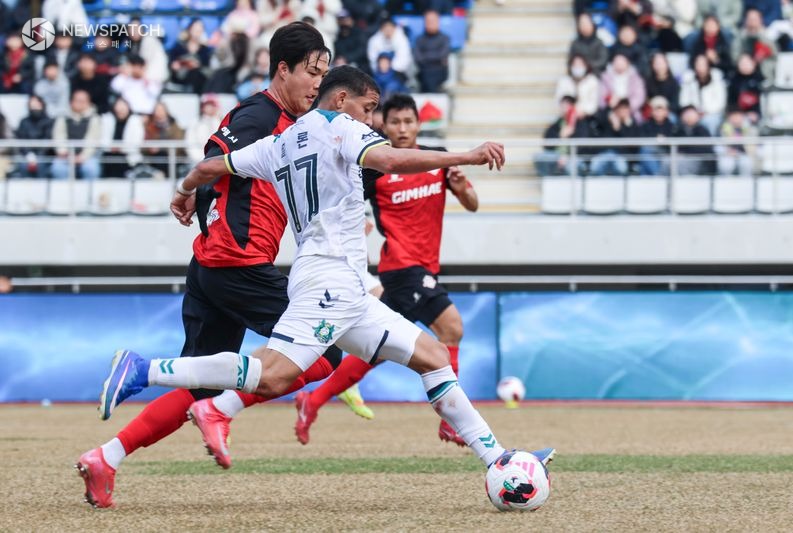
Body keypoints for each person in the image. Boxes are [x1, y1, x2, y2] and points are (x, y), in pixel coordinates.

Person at [96, 64, 555, 485]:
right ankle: (147, 370)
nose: (372, 121)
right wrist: (466, 156)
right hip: (329, 282)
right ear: (340, 101)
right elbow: (393, 161)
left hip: (342, 282)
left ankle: (497, 460)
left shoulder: (280, 141)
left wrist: (185, 191)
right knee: (273, 376)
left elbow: (211, 166)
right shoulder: (340, 129)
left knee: (433, 355)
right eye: (369, 109)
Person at [75, 22, 340, 509]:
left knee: (200, 384)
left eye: (324, 74)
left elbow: (218, 169)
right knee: (329, 350)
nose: (318, 84)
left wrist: (193, 197)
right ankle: (176, 386)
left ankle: (104, 458)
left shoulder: (286, 122)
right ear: (282, 69)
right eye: (312, 72)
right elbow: (214, 159)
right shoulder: (260, 114)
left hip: (215, 268)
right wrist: (187, 190)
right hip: (239, 266)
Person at [293, 92, 480, 445]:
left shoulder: (434, 161)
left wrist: (459, 185)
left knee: (376, 350)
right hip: (402, 267)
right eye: (395, 122)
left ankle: (312, 399)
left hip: (424, 269)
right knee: (452, 328)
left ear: (418, 124)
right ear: (384, 125)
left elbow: (472, 204)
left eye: (408, 121)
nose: (402, 128)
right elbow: (339, 195)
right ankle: (452, 421)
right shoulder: (375, 167)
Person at [51, 90, 102, 180]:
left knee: (91, 169)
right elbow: (59, 137)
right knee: (58, 169)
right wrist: (65, 154)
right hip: (65, 156)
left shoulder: (94, 119)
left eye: (83, 101)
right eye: (77, 101)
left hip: (87, 157)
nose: (79, 104)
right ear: (71, 102)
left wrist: (82, 157)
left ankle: (88, 194)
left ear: (88, 103)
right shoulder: (63, 117)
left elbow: (93, 140)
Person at [590, 98, 640, 176]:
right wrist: (609, 107)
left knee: (621, 168)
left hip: (620, 155)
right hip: (604, 153)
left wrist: (620, 129)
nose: (623, 111)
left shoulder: (632, 124)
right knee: (595, 166)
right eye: (621, 108)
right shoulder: (609, 119)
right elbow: (598, 119)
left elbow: (632, 145)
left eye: (625, 108)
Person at [679, 53, 727, 134]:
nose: (700, 67)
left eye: (703, 64)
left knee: (709, 121)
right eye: (698, 64)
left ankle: (709, 146)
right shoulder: (688, 79)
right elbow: (683, 101)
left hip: (712, 114)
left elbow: (720, 103)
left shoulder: (717, 79)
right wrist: (694, 112)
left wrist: (705, 112)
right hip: (693, 113)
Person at [100, 97, 144, 178]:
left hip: (128, 157)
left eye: (123, 108)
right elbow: (103, 139)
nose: (121, 110)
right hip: (109, 155)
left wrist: (121, 148)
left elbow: (137, 142)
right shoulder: (108, 119)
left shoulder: (135, 121)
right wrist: (111, 147)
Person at [535, 95, 579, 177]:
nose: (564, 109)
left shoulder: (580, 123)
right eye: (562, 106)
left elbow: (585, 145)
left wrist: (567, 156)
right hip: (557, 155)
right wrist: (560, 135)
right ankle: (549, 181)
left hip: (574, 156)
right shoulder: (557, 124)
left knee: (572, 166)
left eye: (567, 105)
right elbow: (546, 143)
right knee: (539, 157)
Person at [168, 18, 213, 94]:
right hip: (181, 78)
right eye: (195, 29)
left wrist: (197, 66)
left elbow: (208, 68)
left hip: (198, 82)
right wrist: (176, 65)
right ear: (189, 29)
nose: (197, 32)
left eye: (200, 29)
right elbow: (172, 63)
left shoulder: (205, 50)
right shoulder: (179, 47)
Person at [15, 96, 55, 178]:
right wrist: (29, 155)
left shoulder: (49, 121)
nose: (34, 108)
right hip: (26, 156)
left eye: (36, 104)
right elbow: (21, 139)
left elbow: (48, 139)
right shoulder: (24, 122)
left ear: (42, 105)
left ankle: (41, 188)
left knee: (41, 165)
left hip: (44, 155)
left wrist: (38, 156)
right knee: (22, 165)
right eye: (32, 105)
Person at [413, 10, 451, 93]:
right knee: (426, 76)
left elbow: (442, 55)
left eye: (432, 21)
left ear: (438, 22)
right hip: (423, 70)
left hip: (440, 71)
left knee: (429, 78)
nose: (430, 23)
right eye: (428, 21)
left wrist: (426, 56)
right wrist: (434, 57)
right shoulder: (419, 39)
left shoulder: (445, 38)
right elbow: (418, 58)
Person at [555, 54, 600, 120]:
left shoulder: (592, 81)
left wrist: (581, 112)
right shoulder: (564, 81)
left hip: (586, 118)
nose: (577, 67)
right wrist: (569, 112)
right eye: (575, 65)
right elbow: (558, 100)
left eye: (580, 64)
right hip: (566, 117)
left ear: (586, 66)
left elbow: (593, 104)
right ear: (570, 66)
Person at [639, 95, 676, 175]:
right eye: (656, 110)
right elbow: (642, 141)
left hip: (666, 153)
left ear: (666, 111)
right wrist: (655, 139)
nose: (658, 113)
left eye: (661, 109)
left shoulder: (673, 126)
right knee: (645, 152)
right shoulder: (645, 125)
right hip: (651, 153)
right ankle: (657, 176)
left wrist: (665, 141)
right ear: (652, 111)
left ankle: (657, 176)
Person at [675, 104, 716, 175]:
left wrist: (685, 151)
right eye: (686, 114)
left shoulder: (702, 130)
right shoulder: (678, 130)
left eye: (691, 114)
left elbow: (706, 148)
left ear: (697, 116)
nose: (688, 116)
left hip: (700, 161)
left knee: (680, 163)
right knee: (669, 162)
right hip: (683, 159)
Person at [716, 107, 757, 176]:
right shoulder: (722, 128)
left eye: (738, 115)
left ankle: (746, 183)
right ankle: (725, 183)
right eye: (734, 116)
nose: (736, 118)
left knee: (747, 163)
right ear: (729, 117)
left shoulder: (749, 128)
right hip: (727, 154)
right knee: (726, 165)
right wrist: (727, 151)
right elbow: (717, 146)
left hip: (745, 154)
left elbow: (753, 146)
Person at [185, 94, 224, 165]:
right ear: (202, 107)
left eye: (213, 105)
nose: (210, 108)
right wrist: (200, 159)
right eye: (208, 105)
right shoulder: (195, 122)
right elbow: (190, 142)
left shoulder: (222, 122)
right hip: (197, 161)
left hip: (218, 160)